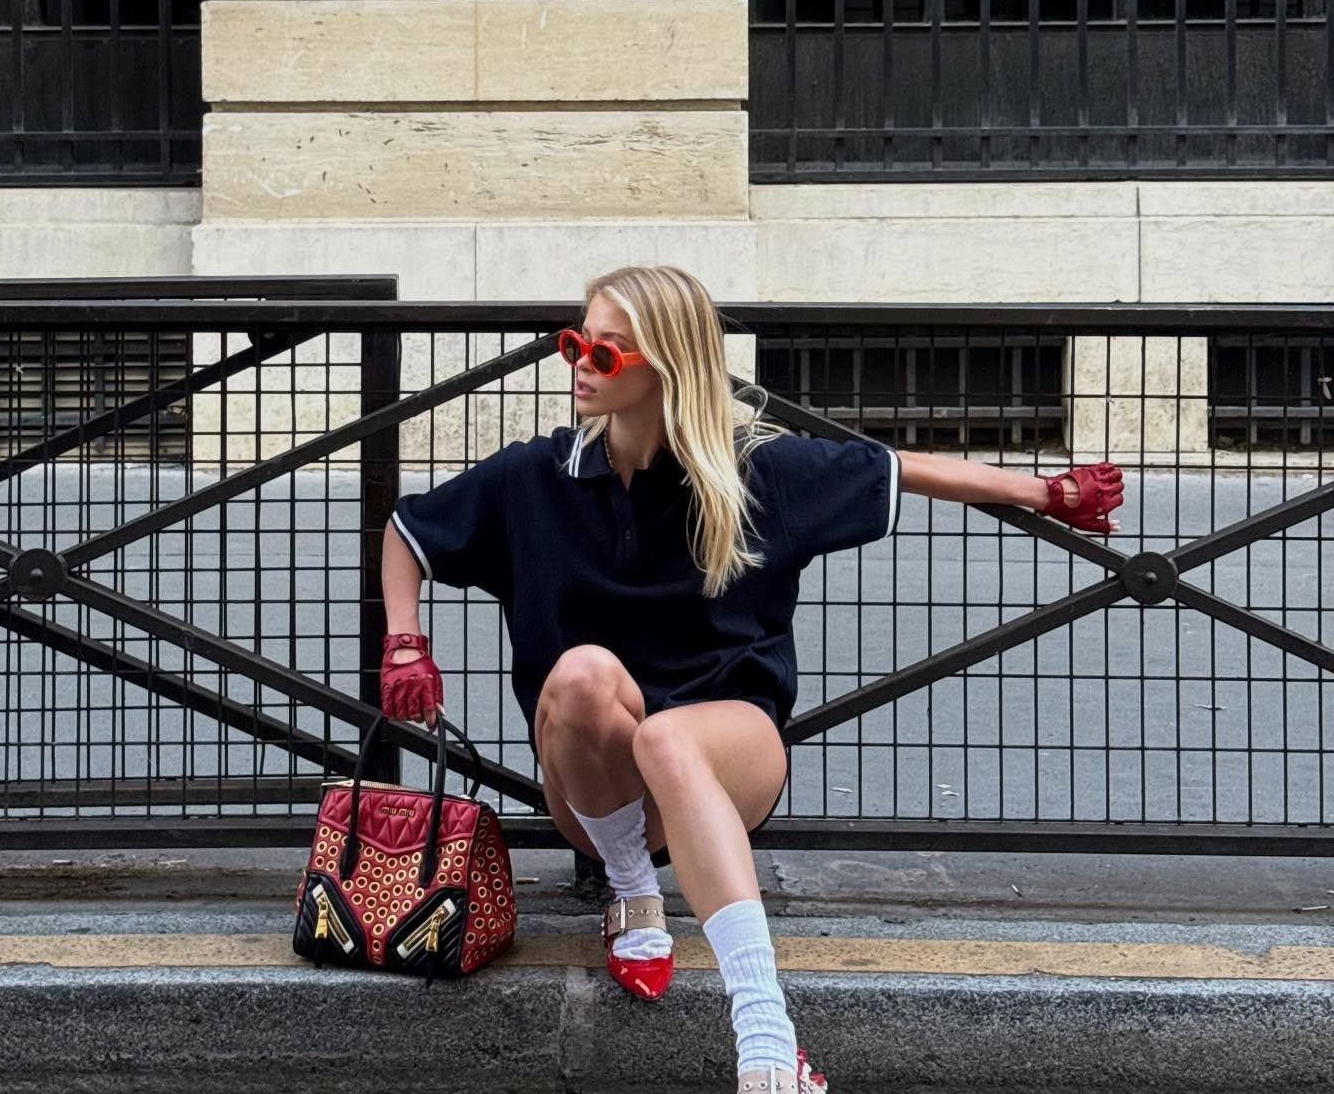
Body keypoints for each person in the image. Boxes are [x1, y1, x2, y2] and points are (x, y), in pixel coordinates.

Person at [380, 265, 1124, 1094]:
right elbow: (408, 532)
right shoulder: (536, 476)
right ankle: (632, 888)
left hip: (730, 755)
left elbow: (897, 467)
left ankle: (769, 1040)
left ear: (668, 364)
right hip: (600, 793)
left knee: (670, 738)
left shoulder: (754, 474)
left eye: (606, 351)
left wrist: (1045, 491)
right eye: (574, 344)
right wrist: (405, 641)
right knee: (581, 674)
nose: (582, 364)